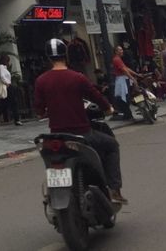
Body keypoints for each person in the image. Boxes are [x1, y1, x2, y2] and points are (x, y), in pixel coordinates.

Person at [33, 39, 127, 205]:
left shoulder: (41, 81)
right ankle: (114, 190)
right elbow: (96, 96)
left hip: (56, 136)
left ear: (48, 58)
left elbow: (39, 109)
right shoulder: (77, 78)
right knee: (112, 145)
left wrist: (44, 112)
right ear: (66, 55)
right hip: (82, 134)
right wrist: (108, 108)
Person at [0, 54, 21, 125]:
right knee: (12, 102)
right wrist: (6, 83)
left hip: (8, 86)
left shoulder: (4, 67)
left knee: (5, 103)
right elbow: (2, 76)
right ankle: (16, 119)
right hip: (7, 86)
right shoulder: (1, 67)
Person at [110, 46, 135, 120]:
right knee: (123, 97)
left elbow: (126, 68)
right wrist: (132, 78)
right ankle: (127, 114)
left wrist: (136, 74)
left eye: (122, 50)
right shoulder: (117, 59)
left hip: (122, 79)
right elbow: (124, 70)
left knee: (124, 97)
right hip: (121, 80)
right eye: (120, 50)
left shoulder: (118, 59)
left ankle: (127, 114)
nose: (122, 51)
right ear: (116, 51)